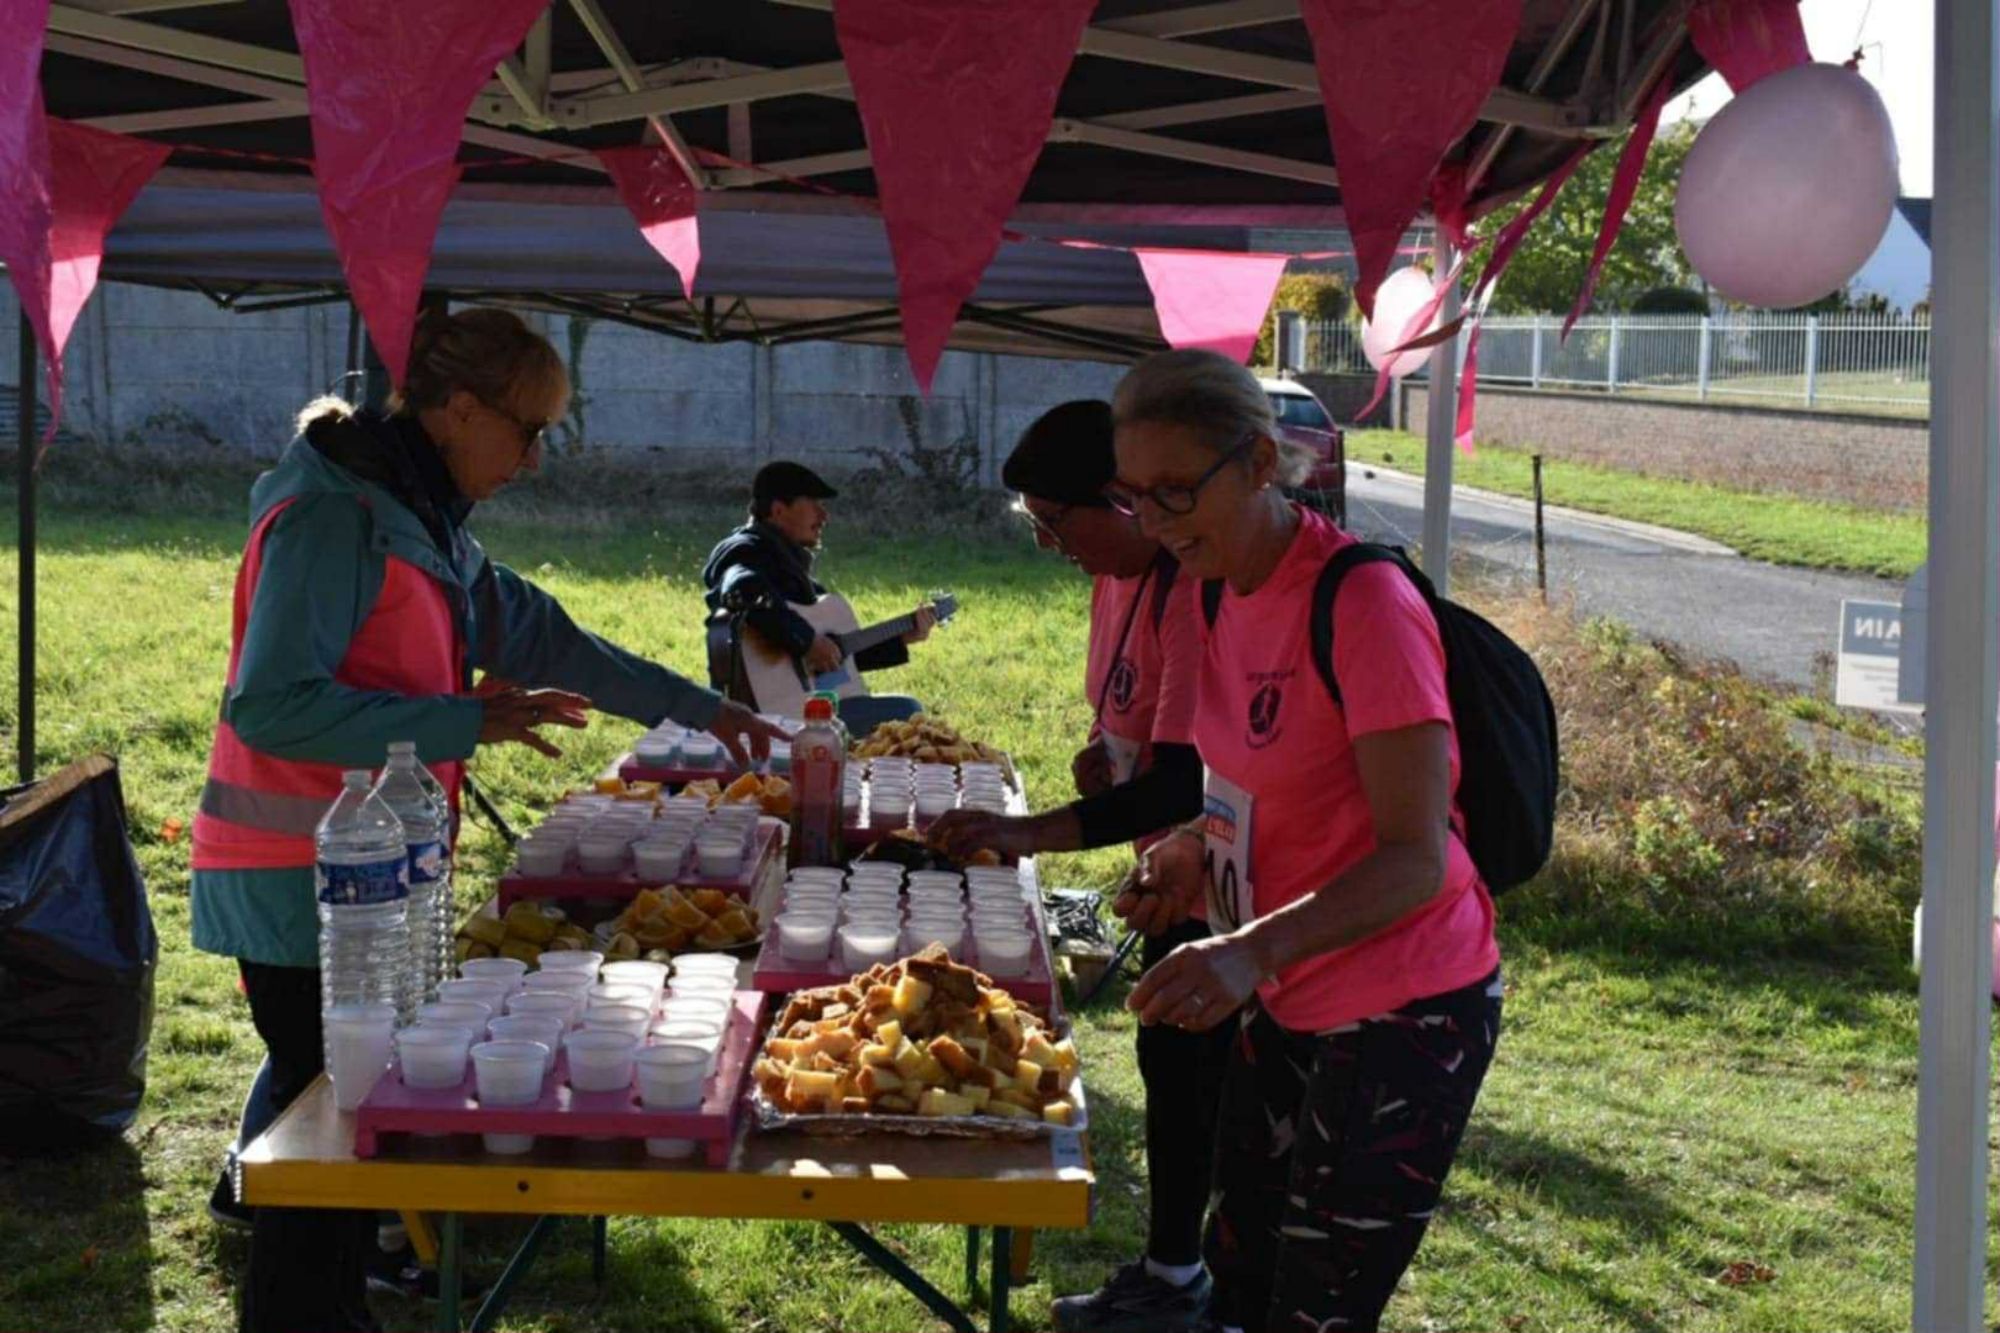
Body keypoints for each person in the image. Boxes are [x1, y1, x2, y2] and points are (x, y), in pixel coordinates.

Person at [191, 306, 781, 1333]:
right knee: (324, 1137)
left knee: (343, 1130)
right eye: (528, 428)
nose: (536, 457)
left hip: (369, 881)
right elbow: (272, 705)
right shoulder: (336, 517)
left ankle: (332, 1308)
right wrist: (464, 719)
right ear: (458, 409)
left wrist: (702, 707)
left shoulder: (415, 514)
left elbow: (542, 633)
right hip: (299, 879)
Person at [1106, 349, 1502, 1333]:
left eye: (1173, 491)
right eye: (1134, 496)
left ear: (1256, 462)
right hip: (1290, 991)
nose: (1153, 522)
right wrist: (1193, 848)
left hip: (1402, 1006)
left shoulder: (1362, 603)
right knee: (1237, 1280)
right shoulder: (1211, 588)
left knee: (1314, 1309)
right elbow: (1252, 781)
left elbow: (1416, 857)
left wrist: (1249, 949)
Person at [927, 400, 1218, 1331]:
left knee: (1201, 1078)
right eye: (1034, 524)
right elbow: (1137, 727)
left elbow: (1183, 779)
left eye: (1056, 520)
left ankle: (1188, 1280)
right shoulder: (1115, 580)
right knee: (1171, 1063)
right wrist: (1104, 753)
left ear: (1121, 499)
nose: (1050, 543)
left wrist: (1028, 834)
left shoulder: (1190, 590)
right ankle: (1173, 1269)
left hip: (1220, 882)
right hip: (1166, 872)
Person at [701, 460, 935, 734]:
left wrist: (902, 637)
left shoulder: (790, 569)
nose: (824, 516)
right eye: (814, 505)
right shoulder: (745, 550)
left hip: (805, 703)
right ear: (778, 510)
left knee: (903, 711)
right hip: (775, 714)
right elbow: (743, 590)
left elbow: (834, 658)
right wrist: (807, 642)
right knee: (907, 712)